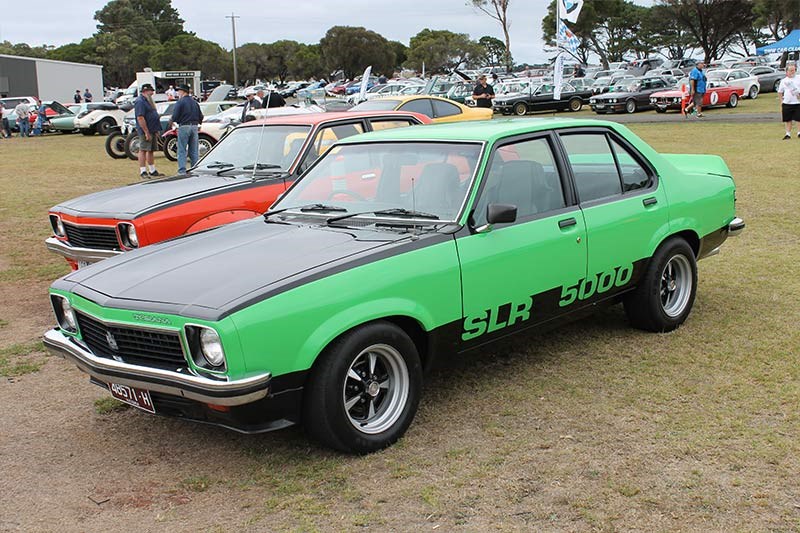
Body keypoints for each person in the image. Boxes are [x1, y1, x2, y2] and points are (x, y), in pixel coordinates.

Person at [168, 84, 204, 175]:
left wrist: (173, 121)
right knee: (194, 150)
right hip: (194, 126)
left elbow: (175, 116)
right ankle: (194, 168)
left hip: (184, 126)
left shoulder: (180, 102)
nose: (178, 92)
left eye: (179, 91)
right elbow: (201, 116)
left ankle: (182, 170)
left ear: (182, 92)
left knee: (182, 149)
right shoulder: (195, 102)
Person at [134, 83, 164, 179]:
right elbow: (140, 117)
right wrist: (146, 132)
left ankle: (152, 170)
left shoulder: (149, 101)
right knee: (143, 150)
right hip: (145, 129)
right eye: (151, 91)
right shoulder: (140, 102)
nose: (152, 93)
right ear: (145, 91)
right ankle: (143, 171)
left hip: (152, 128)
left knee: (151, 150)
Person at [777, 63, 800, 140]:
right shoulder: (784, 81)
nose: (792, 72)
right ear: (787, 71)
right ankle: (788, 134)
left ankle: (799, 133)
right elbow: (780, 92)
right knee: (788, 119)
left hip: (797, 102)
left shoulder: (798, 78)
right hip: (787, 103)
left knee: (798, 119)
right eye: (790, 70)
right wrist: (781, 101)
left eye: (793, 70)